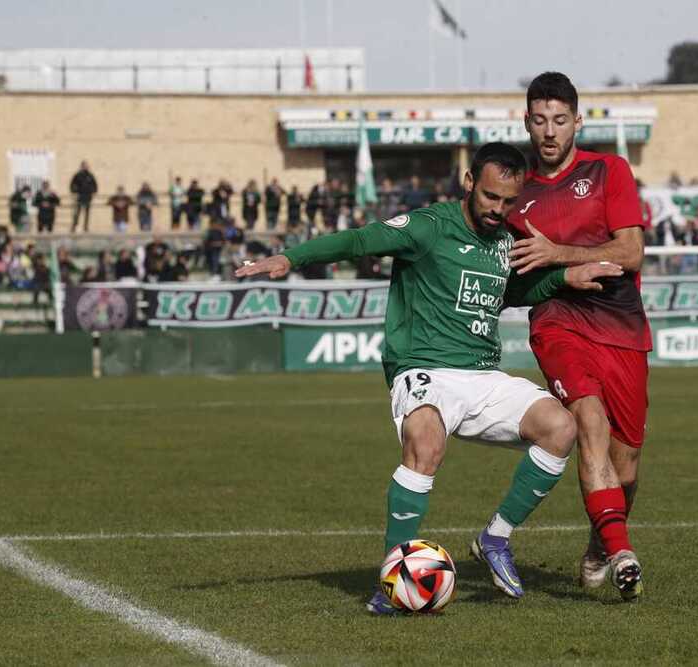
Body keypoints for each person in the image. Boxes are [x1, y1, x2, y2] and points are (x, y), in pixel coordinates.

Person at [235, 142, 621, 615]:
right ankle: (389, 582)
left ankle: (495, 538)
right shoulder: (428, 227)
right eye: (490, 197)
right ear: (469, 183)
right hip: (423, 369)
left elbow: (512, 291)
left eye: (508, 201)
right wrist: (290, 259)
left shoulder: (504, 240)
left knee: (562, 427)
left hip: (481, 373)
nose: (498, 209)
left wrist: (564, 279)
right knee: (426, 442)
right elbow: (358, 241)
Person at [505, 72, 650, 602]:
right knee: (588, 420)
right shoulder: (514, 193)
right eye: (539, 120)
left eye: (560, 120)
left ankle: (600, 542)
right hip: (557, 321)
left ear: (577, 122)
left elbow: (630, 252)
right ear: (526, 122)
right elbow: (510, 276)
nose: (549, 131)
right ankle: (624, 553)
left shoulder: (608, 169)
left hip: (620, 324)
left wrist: (559, 253)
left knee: (626, 460)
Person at [70, 161, 98, 233]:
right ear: (81, 166)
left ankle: (86, 227)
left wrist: (93, 192)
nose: (85, 167)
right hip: (80, 196)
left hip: (88, 196)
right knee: (77, 212)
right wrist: (75, 192)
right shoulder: (77, 175)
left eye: (86, 166)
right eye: (84, 166)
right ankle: (74, 226)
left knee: (87, 213)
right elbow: (72, 185)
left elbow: (95, 185)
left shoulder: (90, 175)